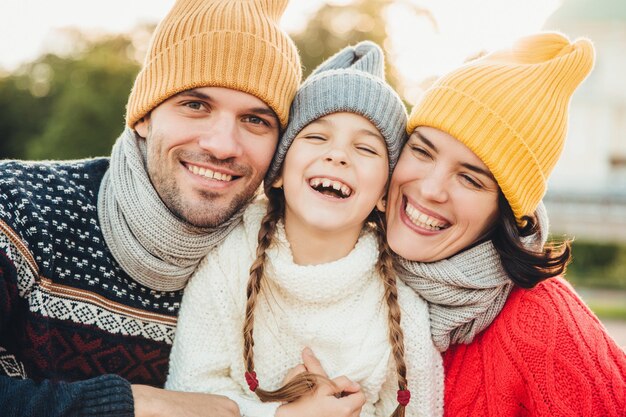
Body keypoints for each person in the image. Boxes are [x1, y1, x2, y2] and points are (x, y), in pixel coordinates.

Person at [0, 0, 301, 415]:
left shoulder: (276, 263)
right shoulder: (17, 207)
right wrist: (135, 405)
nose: (222, 145)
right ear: (143, 116)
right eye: (196, 105)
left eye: (256, 120)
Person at [165, 41, 444, 417]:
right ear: (278, 170)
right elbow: (190, 390)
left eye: (366, 149)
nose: (338, 155)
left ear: (383, 194)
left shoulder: (400, 302)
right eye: (316, 137)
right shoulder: (229, 259)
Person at [385, 32, 626, 416]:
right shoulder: (356, 277)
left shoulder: (544, 325)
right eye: (422, 150)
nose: (431, 189)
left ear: (506, 212)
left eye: (470, 178)